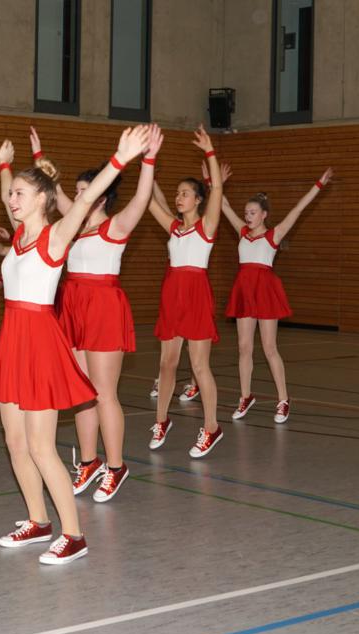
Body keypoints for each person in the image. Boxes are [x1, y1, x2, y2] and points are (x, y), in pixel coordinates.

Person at [0, 125, 150, 564]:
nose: (12, 199)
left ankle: (74, 534)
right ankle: (37, 521)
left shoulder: (56, 237)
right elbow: (7, 193)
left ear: (42, 198)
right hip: (11, 342)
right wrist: (5, 166)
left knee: (41, 445)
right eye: (11, 194)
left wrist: (120, 159)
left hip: (41, 342)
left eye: (20, 194)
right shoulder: (18, 236)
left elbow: (84, 200)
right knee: (15, 441)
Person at [27, 125, 162, 502]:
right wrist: (39, 157)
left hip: (103, 307)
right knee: (82, 393)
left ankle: (116, 466)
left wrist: (149, 160)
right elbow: (54, 191)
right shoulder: (76, 225)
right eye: (78, 192)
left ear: (101, 197)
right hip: (73, 305)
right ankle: (89, 462)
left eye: (85, 191)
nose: (77, 197)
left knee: (104, 393)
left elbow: (142, 196)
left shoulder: (116, 226)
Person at [218, 163, 334, 423]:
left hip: (265, 291)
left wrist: (318, 185)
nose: (247, 216)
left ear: (264, 215)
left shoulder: (274, 235)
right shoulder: (242, 232)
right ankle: (245, 396)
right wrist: (216, 183)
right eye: (246, 212)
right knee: (244, 347)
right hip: (244, 290)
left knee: (270, 347)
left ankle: (283, 399)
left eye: (252, 212)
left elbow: (298, 209)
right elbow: (223, 205)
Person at [146, 125, 225, 457]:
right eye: (176, 193)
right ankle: (161, 420)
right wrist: (147, 161)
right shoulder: (174, 228)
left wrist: (210, 151)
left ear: (198, 199)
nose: (178, 198)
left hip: (195, 294)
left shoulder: (207, 226)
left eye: (185, 193)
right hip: (172, 294)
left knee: (199, 366)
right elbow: (147, 200)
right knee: (166, 364)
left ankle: (211, 427)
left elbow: (218, 187)